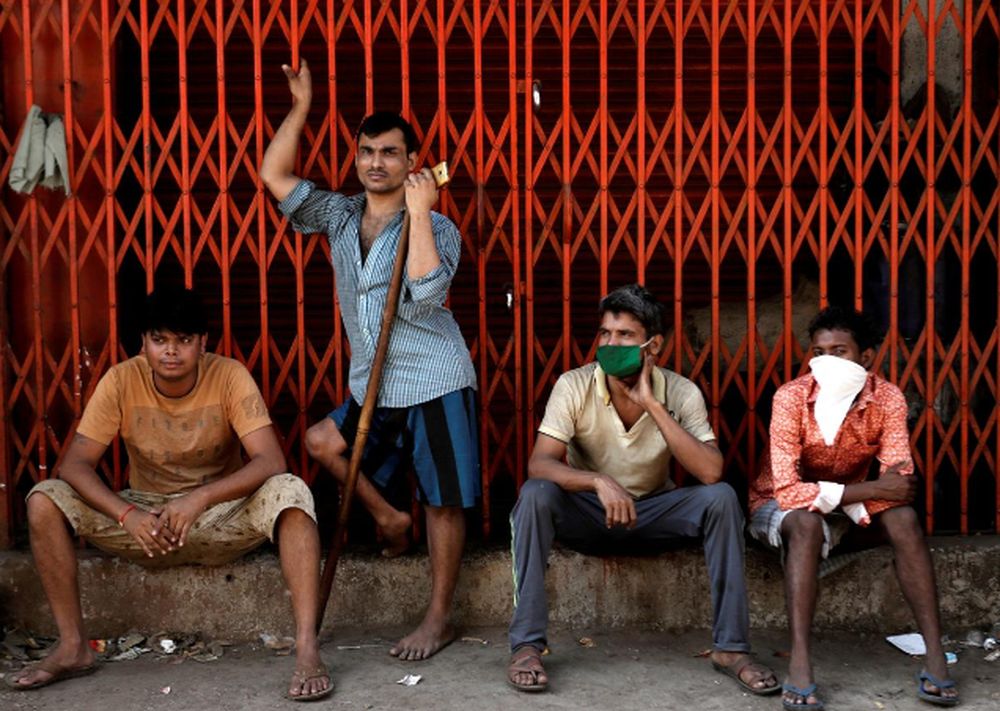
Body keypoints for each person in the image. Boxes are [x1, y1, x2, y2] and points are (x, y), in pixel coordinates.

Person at [6, 287, 330, 701]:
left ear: (203, 343)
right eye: (159, 340)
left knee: (291, 491)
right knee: (44, 497)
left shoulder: (228, 375)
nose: (171, 352)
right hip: (145, 521)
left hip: (217, 518)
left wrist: (201, 498)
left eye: (184, 340)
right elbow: (74, 465)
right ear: (143, 343)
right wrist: (127, 515)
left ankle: (307, 649)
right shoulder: (122, 379)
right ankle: (72, 647)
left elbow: (270, 461)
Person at [260, 59, 479, 661]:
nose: (375, 162)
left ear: (414, 162)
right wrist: (303, 105)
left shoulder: (438, 226)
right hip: (374, 382)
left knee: (443, 499)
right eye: (366, 151)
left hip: (433, 378)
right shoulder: (338, 215)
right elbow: (273, 173)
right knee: (323, 441)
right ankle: (388, 519)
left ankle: (438, 618)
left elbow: (428, 294)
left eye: (389, 152)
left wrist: (416, 214)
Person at [506, 283, 779, 696]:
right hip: (589, 513)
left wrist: (652, 403)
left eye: (625, 336)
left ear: (654, 346)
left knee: (720, 500)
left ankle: (731, 648)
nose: (610, 344)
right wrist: (598, 481)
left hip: (652, 514)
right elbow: (539, 462)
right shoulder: (574, 385)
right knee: (534, 494)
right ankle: (526, 645)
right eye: (605, 334)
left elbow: (710, 472)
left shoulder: (682, 392)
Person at [748, 306, 959, 709]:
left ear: (865, 357)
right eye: (820, 351)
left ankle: (935, 656)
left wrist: (872, 491)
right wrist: (872, 488)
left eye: (840, 351)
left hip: (849, 504)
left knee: (904, 518)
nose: (828, 361)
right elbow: (789, 493)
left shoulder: (887, 398)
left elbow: (898, 485)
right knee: (807, 524)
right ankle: (801, 663)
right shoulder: (792, 397)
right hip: (777, 505)